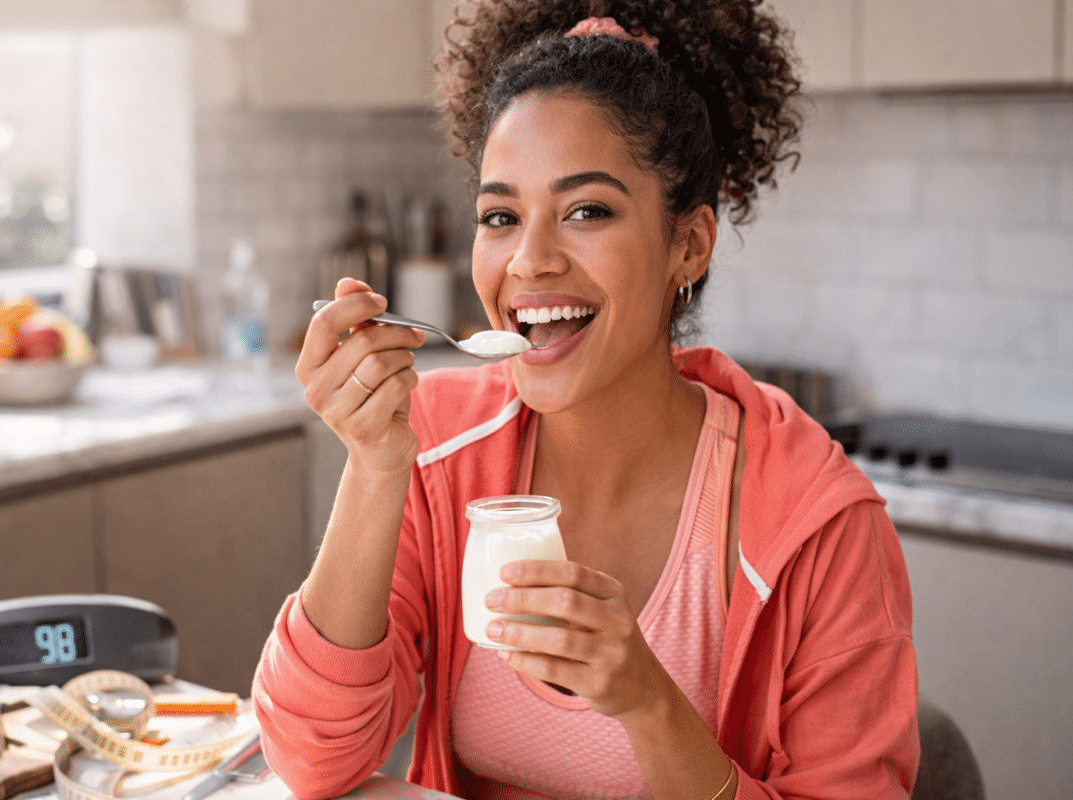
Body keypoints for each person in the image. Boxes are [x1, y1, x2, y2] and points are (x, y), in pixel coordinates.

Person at [253, 1, 919, 798]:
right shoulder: (439, 444)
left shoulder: (820, 526)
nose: (529, 261)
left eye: (587, 211)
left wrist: (647, 702)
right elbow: (309, 756)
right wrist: (373, 466)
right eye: (500, 216)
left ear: (689, 244)